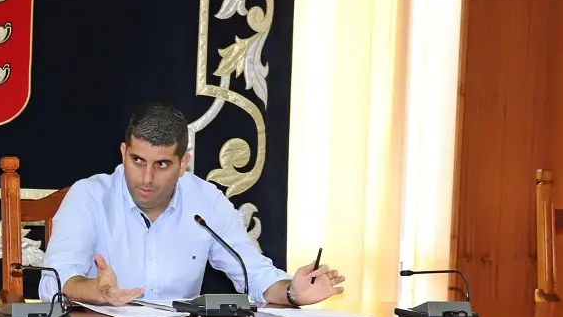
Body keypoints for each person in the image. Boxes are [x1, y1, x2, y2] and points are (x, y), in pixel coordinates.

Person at [39, 103, 344, 306]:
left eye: (161, 164)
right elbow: (52, 282)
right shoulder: (89, 197)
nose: (146, 178)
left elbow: (254, 273)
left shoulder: (206, 202)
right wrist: (98, 292)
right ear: (123, 152)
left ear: (183, 162)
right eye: (137, 160)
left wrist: (292, 293)